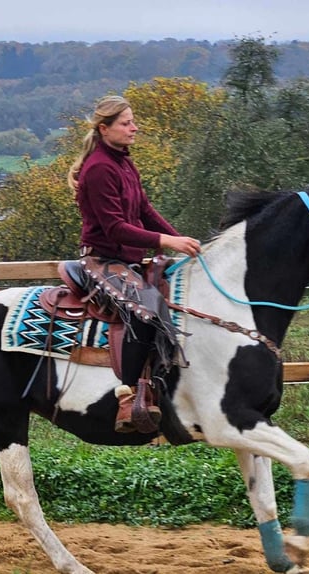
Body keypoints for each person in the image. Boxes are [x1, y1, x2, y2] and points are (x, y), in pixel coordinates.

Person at [67, 95, 200, 433]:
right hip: (100, 260)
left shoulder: (125, 164)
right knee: (146, 309)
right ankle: (128, 398)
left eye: (132, 121)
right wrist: (167, 242)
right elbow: (114, 228)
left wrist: (182, 242)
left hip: (126, 260)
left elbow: (145, 213)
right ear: (104, 128)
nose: (134, 127)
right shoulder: (98, 169)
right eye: (126, 123)